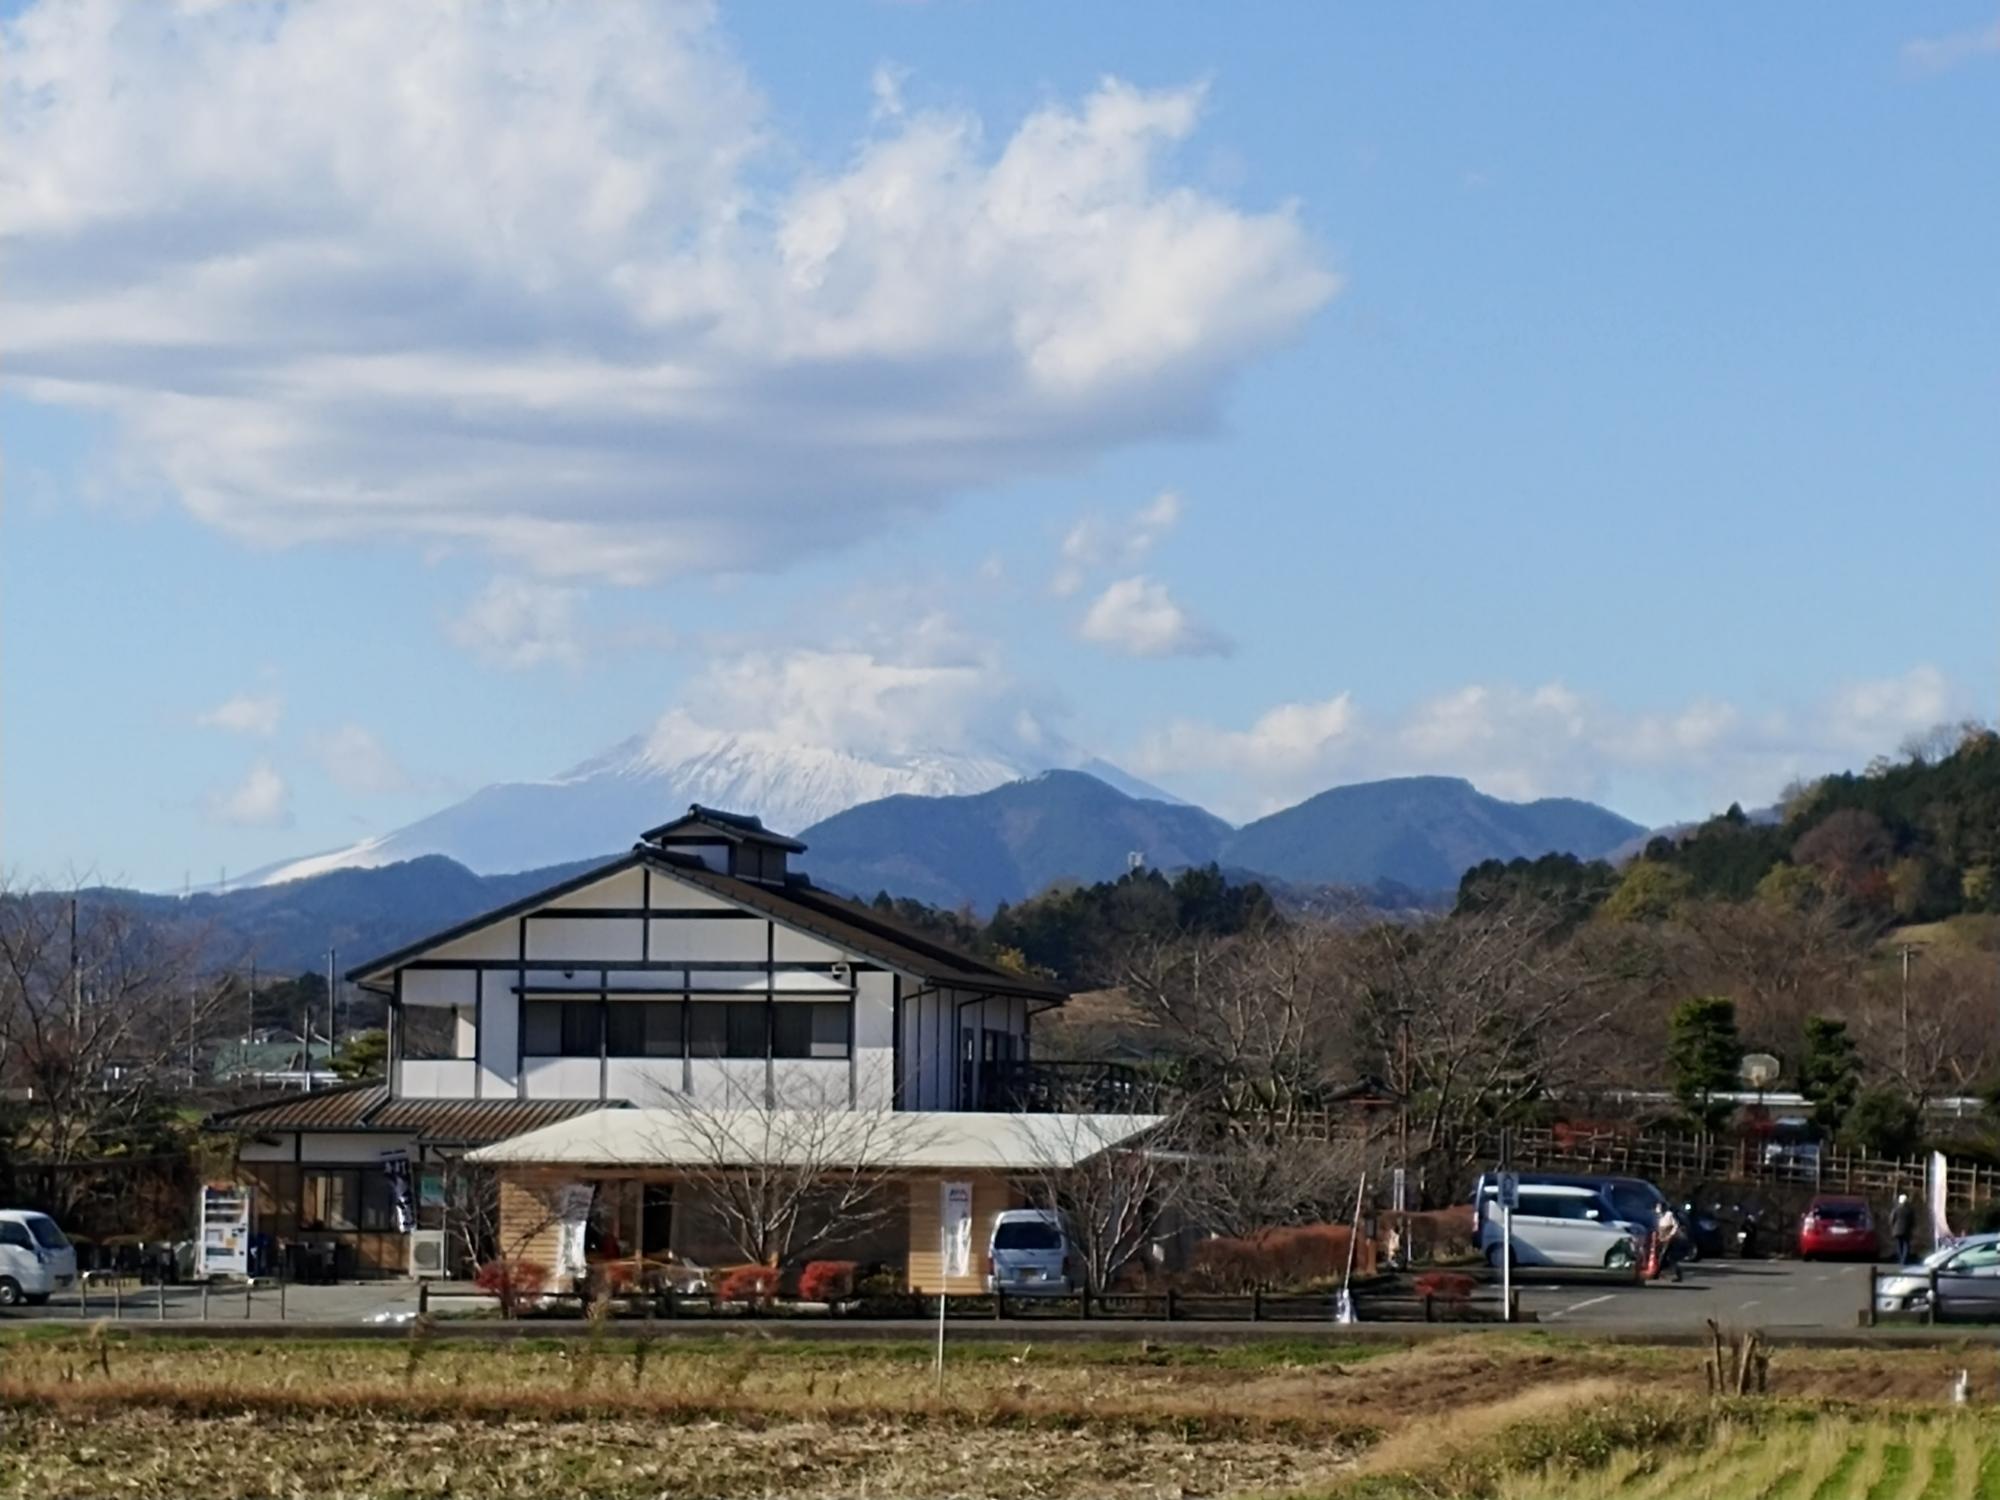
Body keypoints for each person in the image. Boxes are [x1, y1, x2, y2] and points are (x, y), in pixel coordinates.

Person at [1654, 1204, 1685, 1282]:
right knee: (1662, 1257)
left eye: (1660, 1207)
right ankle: (1657, 1273)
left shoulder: (1669, 1215)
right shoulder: (1658, 1216)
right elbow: (1658, 1227)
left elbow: (1676, 1225)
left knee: (1668, 1257)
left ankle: (1678, 1274)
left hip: (1670, 1239)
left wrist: (1670, 1235)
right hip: (1662, 1238)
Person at [1890, 1193, 1916, 1266]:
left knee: (1899, 1245)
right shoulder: (1910, 1210)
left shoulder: (1896, 1209)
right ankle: (1904, 1260)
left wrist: (1893, 1227)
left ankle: (1900, 1259)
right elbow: (1912, 1221)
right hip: (1906, 1230)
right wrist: (1911, 1228)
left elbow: (1892, 1219)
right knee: (1906, 1245)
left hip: (1897, 1230)